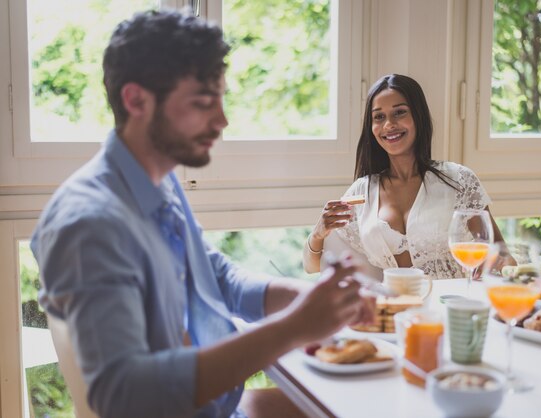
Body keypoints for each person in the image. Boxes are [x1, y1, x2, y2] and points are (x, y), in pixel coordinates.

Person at [30, 9, 372, 418]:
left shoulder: (157, 181)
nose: (222, 120)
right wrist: (294, 327)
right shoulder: (90, 225)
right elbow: (124, 396)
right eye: (203, 103)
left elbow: (217, 277)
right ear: (136, 99)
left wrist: (313, 300)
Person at [303, 74, 505, 279]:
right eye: (379, 117)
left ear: (418, 116)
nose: (389, 124)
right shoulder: (361, 192)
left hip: (447, 305)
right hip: (391, 307)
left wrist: (491, 263)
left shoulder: (458, 180)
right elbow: (312, 267)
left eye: (399, 113)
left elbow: (502, 255)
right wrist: (319, 232)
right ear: (371, 128)